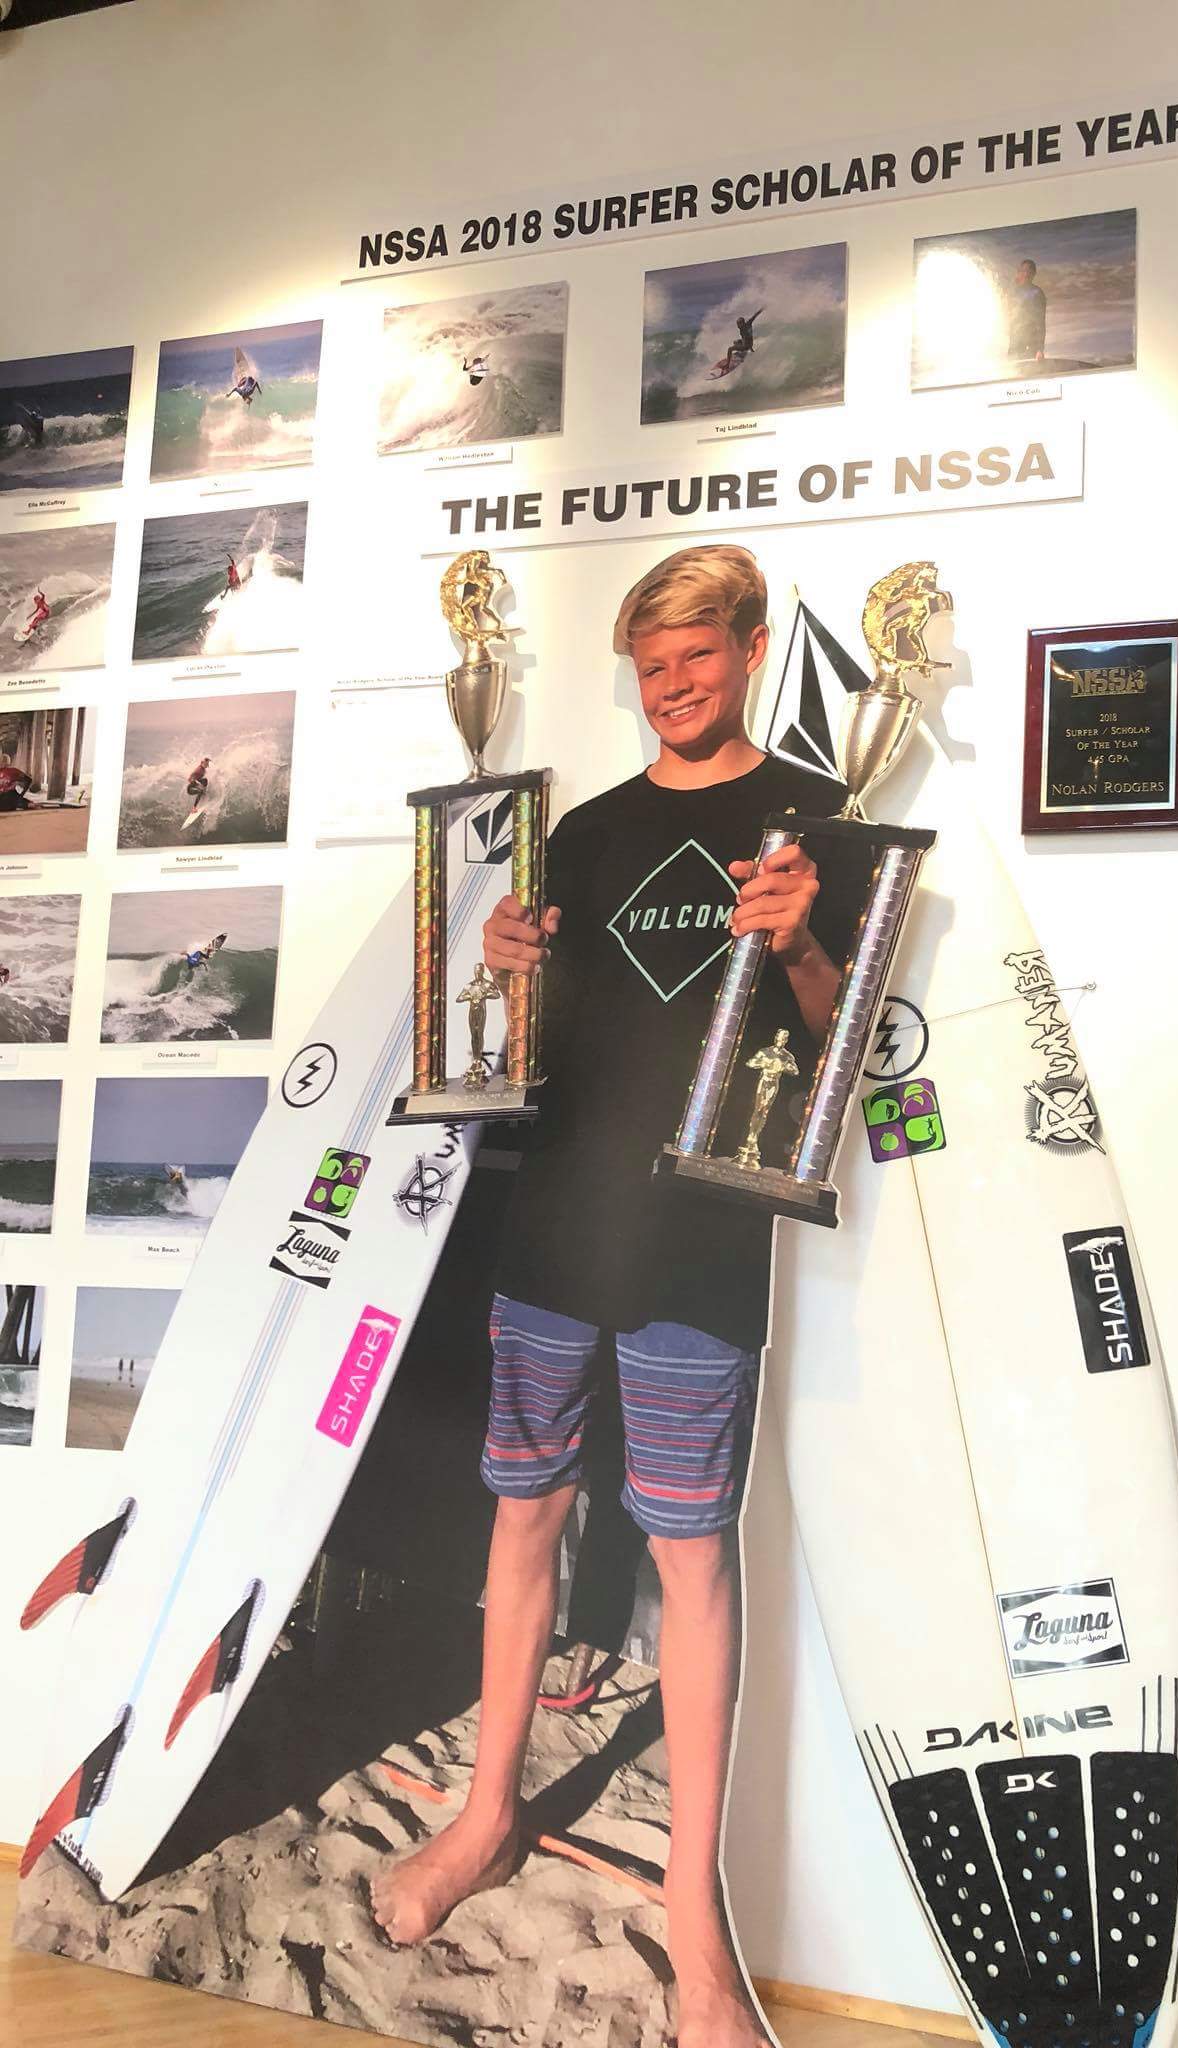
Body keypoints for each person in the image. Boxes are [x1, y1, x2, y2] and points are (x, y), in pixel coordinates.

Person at [369, 544, 856, 2048]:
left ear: (754, 647)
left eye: (700, 657)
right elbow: (507, 1051)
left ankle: (695, 1930)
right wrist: (497, 964)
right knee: (521, 1518)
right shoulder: (575, 835)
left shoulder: (823, 825)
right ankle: (487, 1813)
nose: (674, 685)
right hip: (553, 1242)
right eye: (652, 665)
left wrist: (805, 943)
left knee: (690, 1563)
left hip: (702, 1249)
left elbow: (856, 1048)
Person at [1011, 256, 1048, 363]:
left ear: (1033, 274)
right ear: (1019, 273)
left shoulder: (1037, 293)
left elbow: (1040, 323)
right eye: (1023, 271)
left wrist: (1039, 349)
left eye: (1029, 271)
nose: (1026, 274)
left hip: (1031, 343)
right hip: (1015, 341)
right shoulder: (1013, 292)